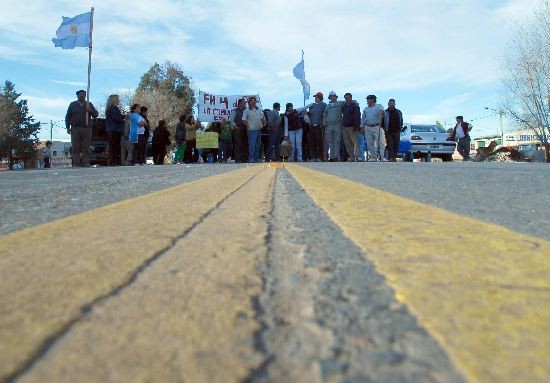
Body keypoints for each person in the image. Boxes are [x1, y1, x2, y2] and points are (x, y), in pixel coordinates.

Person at [65, 89, 98, 167]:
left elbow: (96, 114)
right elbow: (68, 116)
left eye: (83, 94)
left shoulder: (89, 104)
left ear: (85, 96)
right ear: (77, 95)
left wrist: (90, 110)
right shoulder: (72, 104)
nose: (82, 95)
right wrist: (67, 127)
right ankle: (76, 163)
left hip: (87, 128)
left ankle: (85, 162)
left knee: (86, 147)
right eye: (80, 94)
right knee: (75, 147)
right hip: (75, 128)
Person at [361, 95, 386, 161]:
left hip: (377, 126)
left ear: (373, 100)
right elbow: (363, 118)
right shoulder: (366, 109)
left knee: (381, 142)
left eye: (368, 99)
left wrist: (382, 112)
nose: (367, 101)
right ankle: (373, 157)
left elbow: (383, 113)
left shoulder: (379, 106)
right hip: (368, 127)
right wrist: (362, 126)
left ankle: (382, 157)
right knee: (370, 143)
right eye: (367, 99)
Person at [242, 97, 265, 162]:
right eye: (252, 101)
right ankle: (251, 158)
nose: (253, 102)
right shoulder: (246, 110)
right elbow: (243, 120)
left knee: (258, 145)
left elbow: (261, 118)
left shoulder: (259, 109)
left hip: (259, 130)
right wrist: (248, 125)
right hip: (251, 131)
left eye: (254, 101)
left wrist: (264, 121)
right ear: (249, 102)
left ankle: (256, 158)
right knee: (252, 145)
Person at [323, 91, 345, 161]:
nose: (332, 97)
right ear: (329, 98)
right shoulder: (327, 106)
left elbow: (348, 102)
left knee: (337, 141)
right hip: (329, 126)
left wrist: (354, 101)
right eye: (331, 96)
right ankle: (332, 156)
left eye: (333, 96)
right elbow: (325, 114)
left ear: (336, 97)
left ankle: (336, 156)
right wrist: (324, 121)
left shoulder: (340, 103)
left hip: (337, 125)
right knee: (330, 141)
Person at [105, 94, 125, 166]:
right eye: (118, 99)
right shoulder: (114, 108)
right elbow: (116, 118)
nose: (119, 100)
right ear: (114, 100)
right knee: (115, 146)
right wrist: (123, 119)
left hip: (111, 129)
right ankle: (114, 161)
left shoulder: (109, 109)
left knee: (113, 145)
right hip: (115, 129)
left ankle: (113, 160)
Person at [342, 93, 361, 161]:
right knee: (347, 143)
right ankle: (352, 157)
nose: (347, 99)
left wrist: (355, 126)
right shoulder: (344, 106)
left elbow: (357, 116)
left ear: (351, 98)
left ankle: (358, 156)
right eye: (346, 98)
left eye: (348, 97)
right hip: (345, 127)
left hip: (352, 127)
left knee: (355, 142)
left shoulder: (355, 106)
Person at [308, 91, 327, 162]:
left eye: (316, 97)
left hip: (319, 126)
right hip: (312, 126)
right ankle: (313, 157)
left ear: (319, 97)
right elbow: (310, 114)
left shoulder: (324, 105)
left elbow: (324, 114)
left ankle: (319, 157)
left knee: (319, 142)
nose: (315, 98)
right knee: (312, 142)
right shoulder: (313, 105)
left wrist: (322, 123)